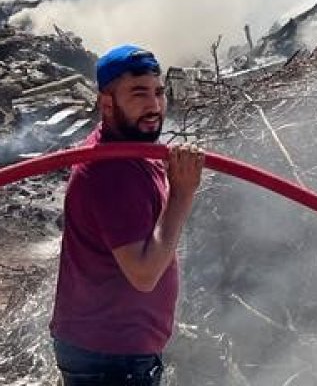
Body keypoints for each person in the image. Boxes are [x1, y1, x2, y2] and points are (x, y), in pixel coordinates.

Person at [49, 44, 205, 385]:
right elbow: (144, 274)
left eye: (158, 93)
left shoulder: (129, 147)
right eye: (138, 94)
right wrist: (182, 193)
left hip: (110, 350)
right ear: (107, 104)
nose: (154, 106)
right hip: (111, 358)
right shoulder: (111, 171)